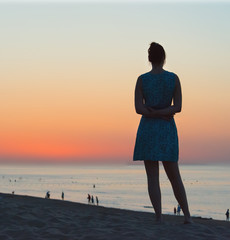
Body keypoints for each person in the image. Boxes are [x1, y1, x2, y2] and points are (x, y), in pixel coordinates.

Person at [133, 42, 192, 224]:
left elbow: (139, 108)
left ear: (149, 59)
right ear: (164, 58)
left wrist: (153, 112)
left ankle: (158, 217)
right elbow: (178, 107)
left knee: (152, 177)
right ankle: (187, 217)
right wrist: (162, 112)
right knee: (175, 176)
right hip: (166, 128)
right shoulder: (173, 78)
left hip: (148, 129)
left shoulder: (142, 79)